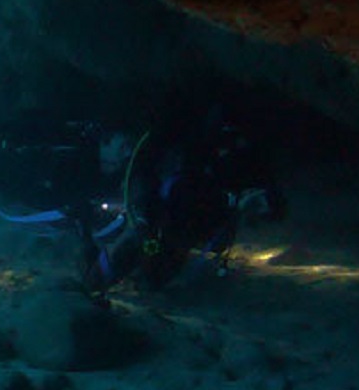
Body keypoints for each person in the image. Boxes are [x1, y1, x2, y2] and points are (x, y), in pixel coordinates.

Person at [75, 111, 285, 294]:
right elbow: (145, 224)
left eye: (107, 141)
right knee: (146, 265)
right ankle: (96, 263)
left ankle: (97, 266)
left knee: (146, 266)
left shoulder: (162, 165)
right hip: (173, 229)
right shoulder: (149, 169)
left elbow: (273, 206)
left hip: (178, 228)